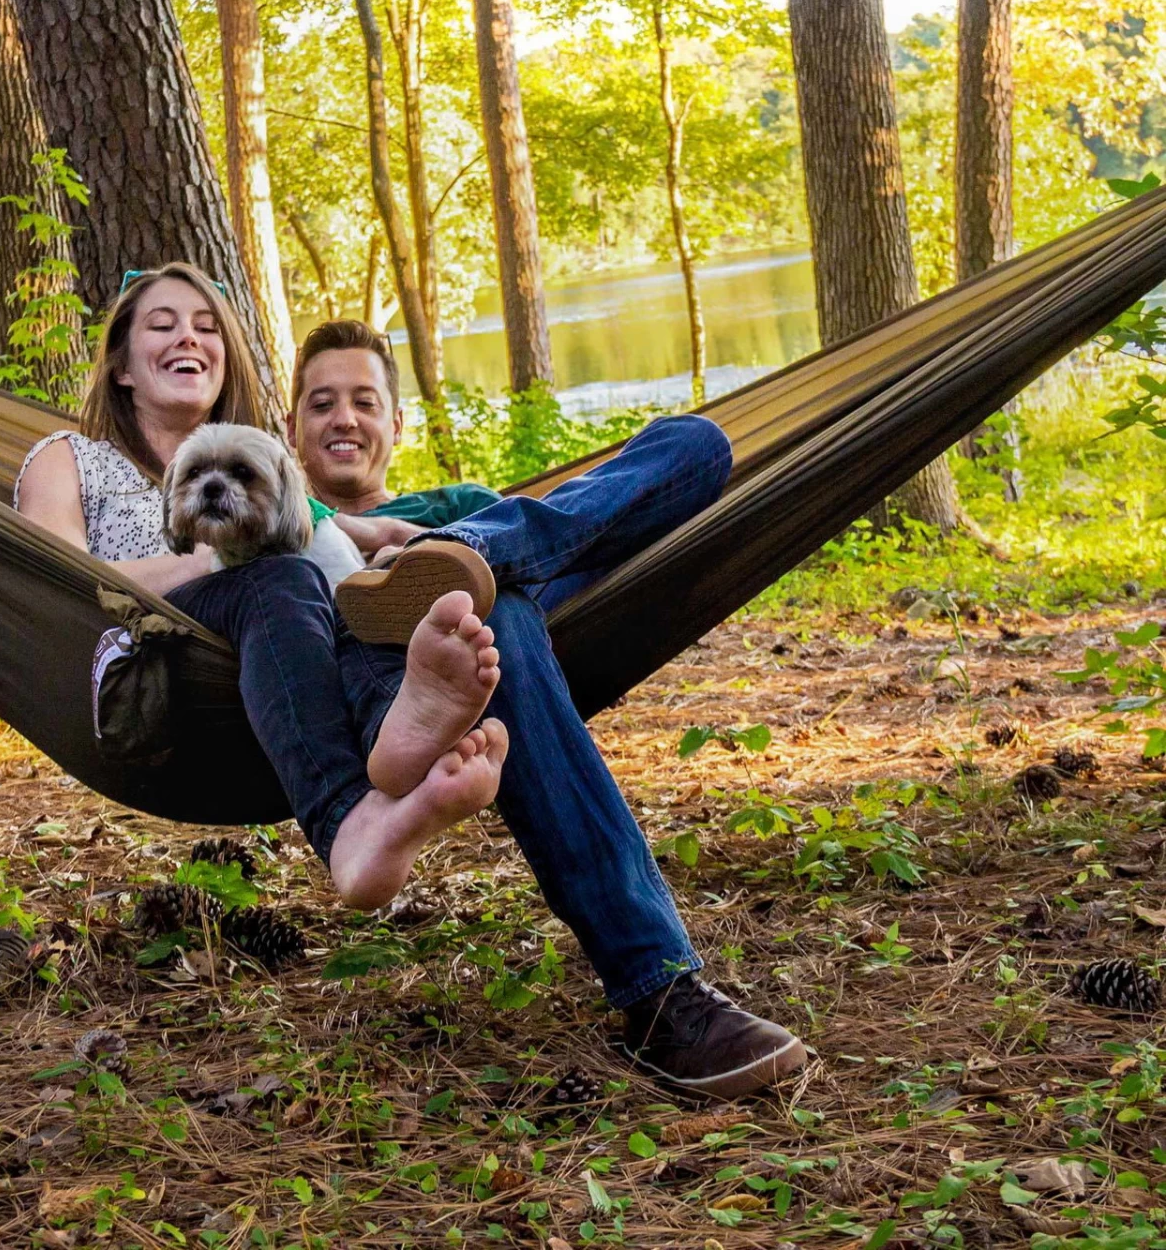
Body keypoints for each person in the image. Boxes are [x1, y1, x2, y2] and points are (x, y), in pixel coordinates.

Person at [288, 320, 808, 1097]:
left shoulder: (461, 498)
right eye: (321, 403)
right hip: (375, 671)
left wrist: (409, 536)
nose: (344, 418)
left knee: (696, 443)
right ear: (291, 428)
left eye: (364, 401)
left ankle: (445, 561)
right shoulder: (275, 513)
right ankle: (660, 991)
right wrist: (341, 538)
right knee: (492, 609)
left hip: (487, 596)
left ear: (397, 424)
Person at [16, 265, 509, 914]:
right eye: (162, 326)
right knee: (281, 576)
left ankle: (399, 729)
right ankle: (346, 823)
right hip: (153, 653)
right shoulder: (69, 457)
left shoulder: (251, 457)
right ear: (122, 368)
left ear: (225, 362)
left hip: (271, 655)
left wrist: (385, 530)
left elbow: (313, 525)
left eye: (206, 327)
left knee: (337, 603)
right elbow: (54, 580)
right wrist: (211, 561)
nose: (187, 338)